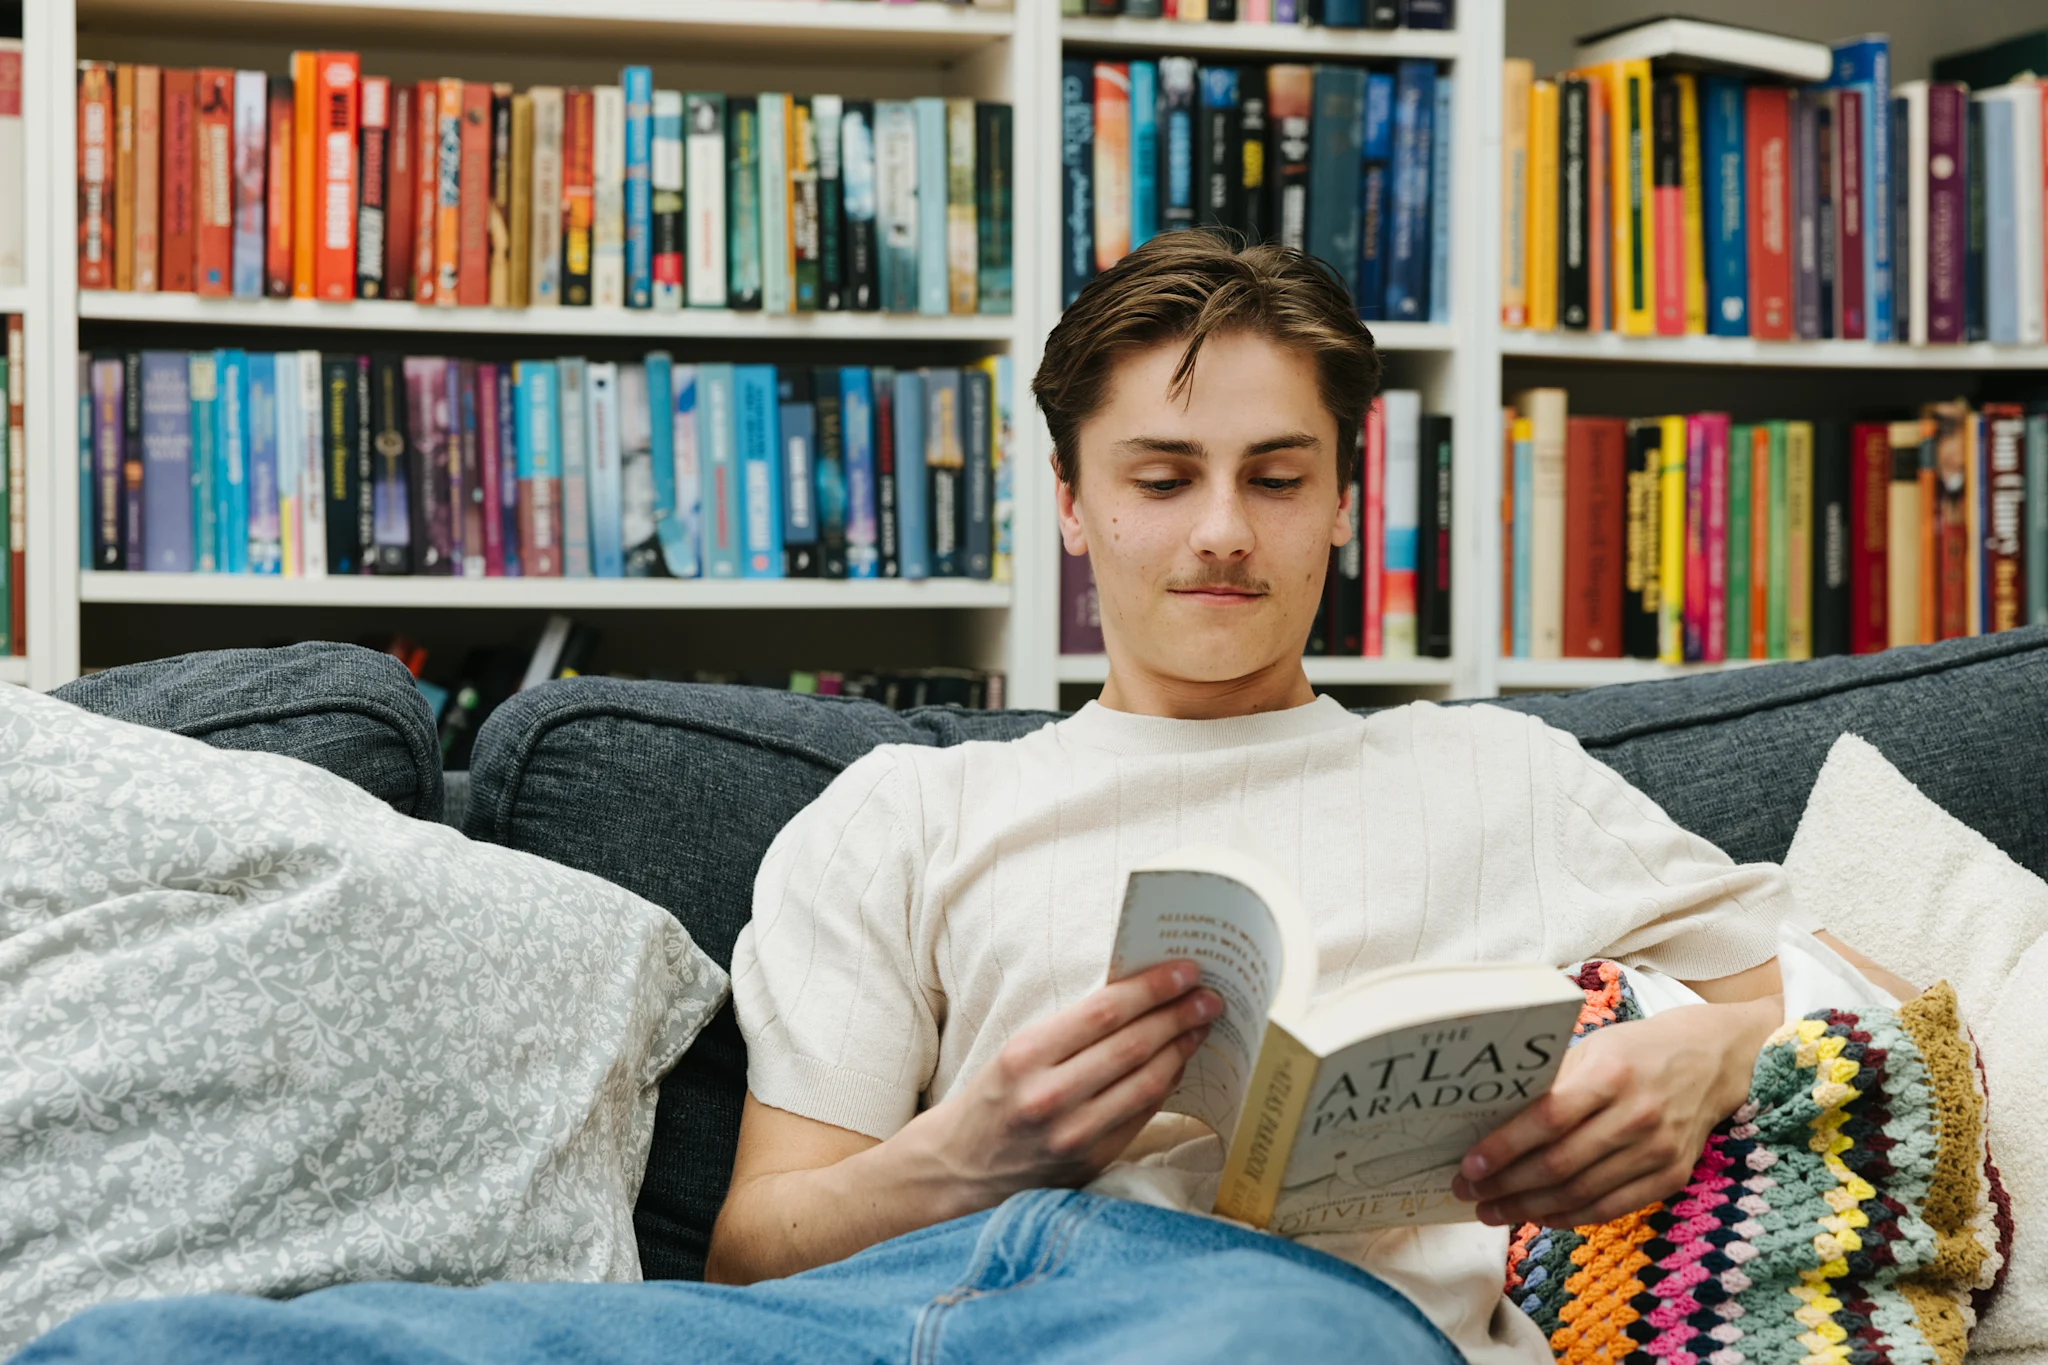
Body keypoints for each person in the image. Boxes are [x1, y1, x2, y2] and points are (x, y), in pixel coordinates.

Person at [22, 234, 1913, 1365]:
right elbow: (759, 1246)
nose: (1223, 534)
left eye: (1278, 475)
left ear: (1349, 496)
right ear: (1077, 508)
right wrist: (984, 1145)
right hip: (899, 1307)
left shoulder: (1500, 770)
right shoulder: (906, 818)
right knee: (154, 1345)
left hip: (1274, 1312)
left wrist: (1701, 1059)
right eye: (1162, 475)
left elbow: (1872, 980)